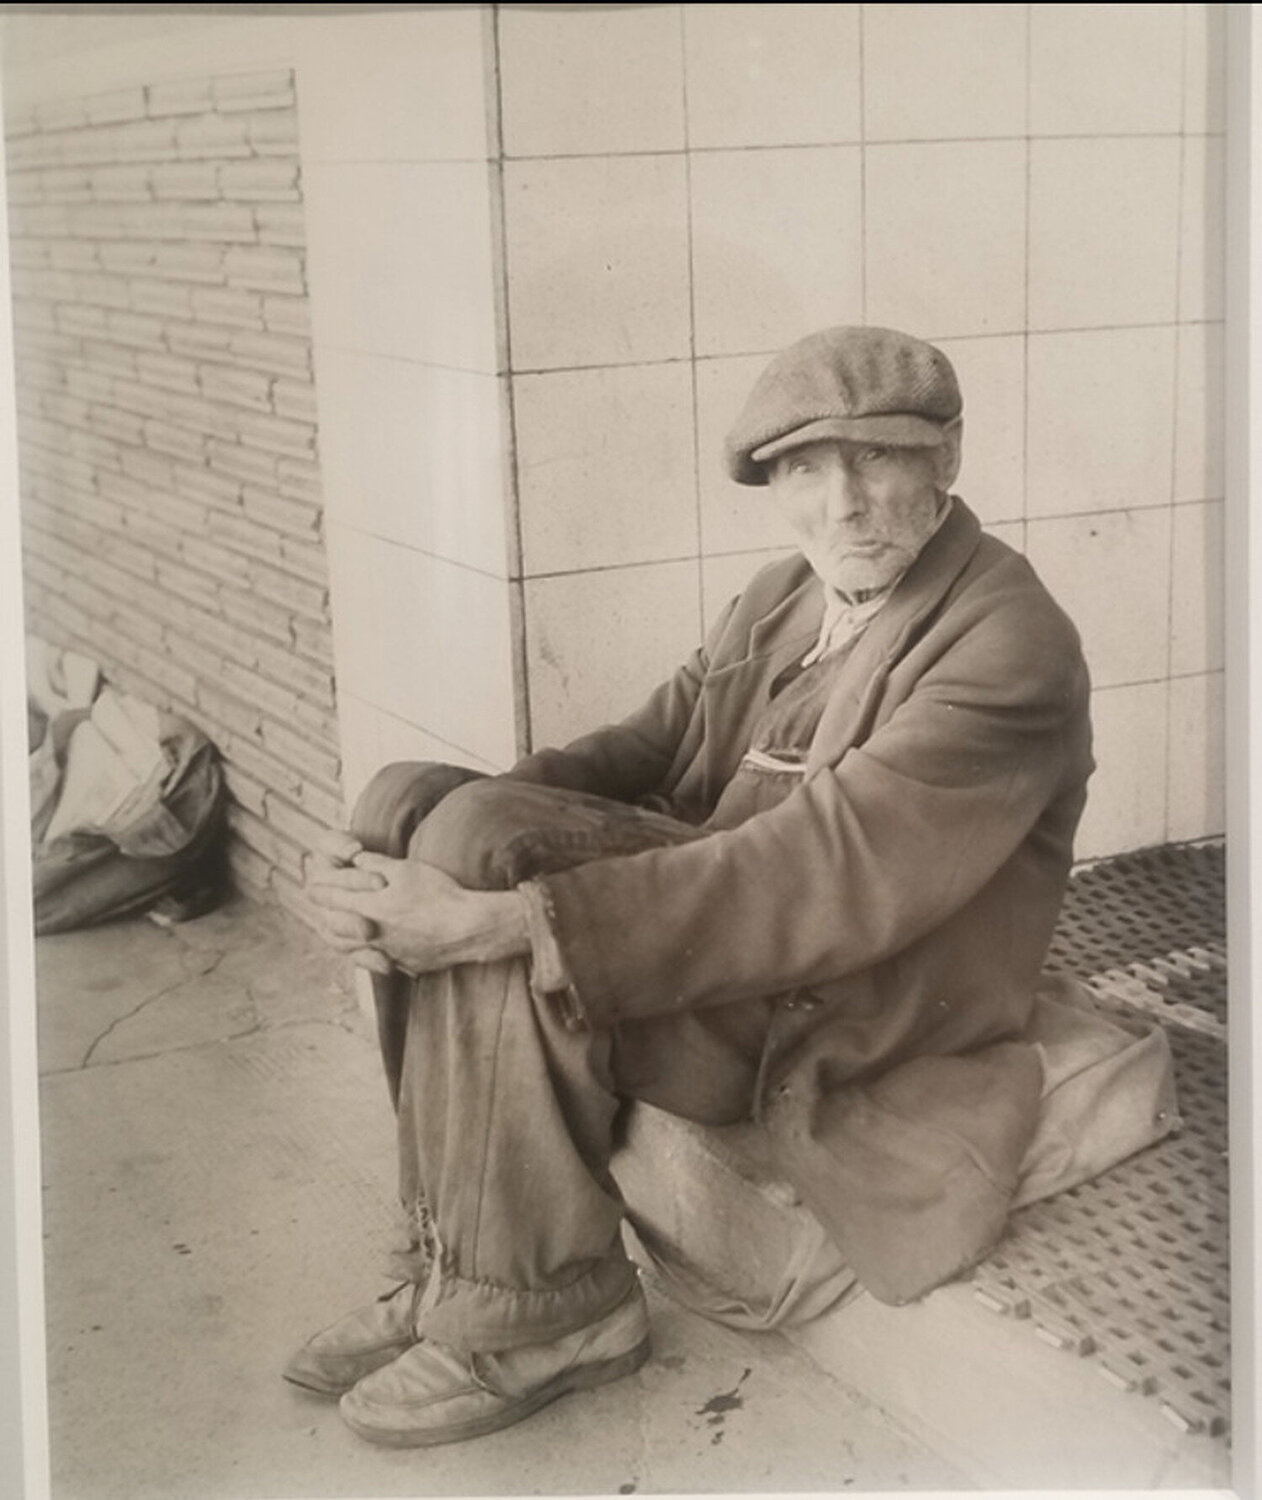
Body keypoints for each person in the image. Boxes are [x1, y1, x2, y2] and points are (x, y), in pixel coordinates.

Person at [291, 325, 1095, 1449]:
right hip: (732, 942)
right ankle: (447, 1262)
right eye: (805, 470)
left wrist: (502, 919)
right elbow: (642, 744)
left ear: (946, 458)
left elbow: (816, 874)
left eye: (877, 457)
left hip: (849, 997)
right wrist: (387, 842)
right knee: (409, 800)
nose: (844, 503)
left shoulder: (1006, 641)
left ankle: (551, 1315)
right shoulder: (789, 596)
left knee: (479, 862)